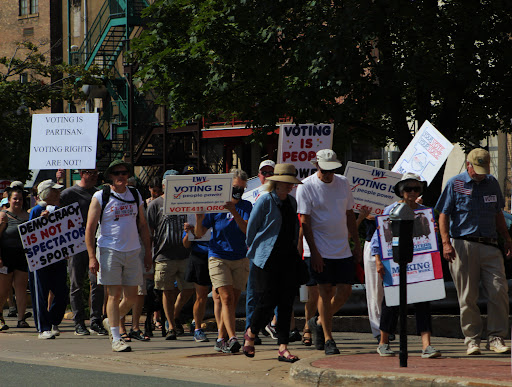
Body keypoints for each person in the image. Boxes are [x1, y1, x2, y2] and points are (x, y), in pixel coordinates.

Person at [436, 148, 511, 355]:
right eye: (476, 169)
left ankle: (496, 337)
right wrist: (445, 243)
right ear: (468, 165)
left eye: (483, 169)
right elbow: (443, 215)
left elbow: (498, 213)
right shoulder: (455, 183)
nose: (479, 173)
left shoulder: (492, 183)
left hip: (490, 244)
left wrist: (507, 238)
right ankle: (472, 339)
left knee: (499, 290)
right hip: (462, 244)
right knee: (467, 296)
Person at [296, 149, 362, 355]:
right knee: (325, 292)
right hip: (318, 248)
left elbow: (350, 213)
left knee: (345, 292)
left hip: (341, 248)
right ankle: (328, 339)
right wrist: (314, 252)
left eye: (331, 170)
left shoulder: (343, 182)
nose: (328, 174)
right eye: (324, 170)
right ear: (316, 165)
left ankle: (318, 321)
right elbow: (305, 223)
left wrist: (357, 244)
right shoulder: (306, 186)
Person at [371, 173, 441, 358]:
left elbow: (431, 242)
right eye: (408, 188)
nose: (412, 192)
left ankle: (427, 346)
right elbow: (377, 240)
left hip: (420, 265)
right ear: (401, 191)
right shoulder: (390, 210)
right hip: (394, 264)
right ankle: (383, 343)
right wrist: (378, 261)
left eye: (416, 188)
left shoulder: (426, 212)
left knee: (423, 303)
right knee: (392, 302)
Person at [86, 160, 152, 352]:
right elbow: (89, 229)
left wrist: (148, 253)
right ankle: (116, 338)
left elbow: (142, 225)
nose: (121, 176)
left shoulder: (135, 194)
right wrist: (92, 256)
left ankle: (110, 321)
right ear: (110, 177)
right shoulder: (100, 196)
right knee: (114, 295)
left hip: (133, 250)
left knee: (131, 297)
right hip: (109, 250)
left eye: (124, 173)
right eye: (116, 173)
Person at [243, 163, 302, 362]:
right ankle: (251, 333)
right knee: (266, 301)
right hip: (266, 259)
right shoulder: (265, 200)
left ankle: (283, 347)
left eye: (292, 183)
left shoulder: (292, 203)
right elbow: (251, 229)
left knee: (286, 303)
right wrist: (254, 252)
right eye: (286, 183)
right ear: (276, 183)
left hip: (288, 258)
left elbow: (294, 229)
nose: (290, 186)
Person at [194, 168, 251, 353]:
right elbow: (199, 233)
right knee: (225, 298)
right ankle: (233, 338)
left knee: (232, 301)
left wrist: (234, 211)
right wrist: (198, 217)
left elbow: (247, 231)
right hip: (218, 256)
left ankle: (221, 337)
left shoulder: (247, 206)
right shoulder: (215, 206)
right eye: (235, 187)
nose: (238, 191)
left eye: (241, 188)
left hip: (240, 257)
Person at [147, 169, 194, 341]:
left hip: (185, 253)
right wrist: (148, 255)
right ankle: (172, 328)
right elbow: (149, 232)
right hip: (164, 254)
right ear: (165, 185)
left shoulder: (188, 202)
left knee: (189, 288)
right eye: (171, 183)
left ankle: (172, 315)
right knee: (166, 291)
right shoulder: (156, 204)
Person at [60, 169, 107, 336]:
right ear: (81, 173)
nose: (95, 175)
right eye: (90, 172)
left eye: (96, 172)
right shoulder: (68, 194)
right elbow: (59, 220)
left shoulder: (99, 194)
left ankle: (95, 321)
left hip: (96, 244)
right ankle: (79, 322)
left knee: (97, 283)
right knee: (76, 284)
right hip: (75, 245)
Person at [28, 180, 68, 339]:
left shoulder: (60, 210)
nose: (58, 193)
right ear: (46, 194)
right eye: (54, 191)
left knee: (61, 291)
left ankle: (53, 320)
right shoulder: (37, 210)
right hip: (40, 258)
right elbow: (29, 233)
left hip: (57, 257)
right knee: (41, 293)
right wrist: (41, 220)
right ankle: (43, 327)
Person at [246, 160, 275, 345]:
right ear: (259, 175)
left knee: (278, 289)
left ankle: (275, 325)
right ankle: (251, 329)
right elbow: (250, 225)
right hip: (257, 251)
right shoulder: (251, 196)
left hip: (276, 250)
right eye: (264, 172)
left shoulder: (284, 195)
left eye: (271, 172)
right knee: (253, 292)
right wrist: (250, 246)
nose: (267, 176)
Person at [182, 164, 211, 343]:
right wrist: (190, 232)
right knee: (200, 295)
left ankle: (224, 332)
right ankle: (197, 327)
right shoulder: (186, 207)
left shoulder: (215, 203)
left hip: (218, 253)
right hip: (199, 254)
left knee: (221, 294)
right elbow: (185, 243)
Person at [0, 186, 30, 331]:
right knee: (3, 290)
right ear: (9, 200)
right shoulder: (3, 216)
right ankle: (0, 317)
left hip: (22, 256)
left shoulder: (27, 215)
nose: (18, 201)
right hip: (5, 256)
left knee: (21, 288)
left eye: (20, 199)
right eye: (15, 199)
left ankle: (21, 319)